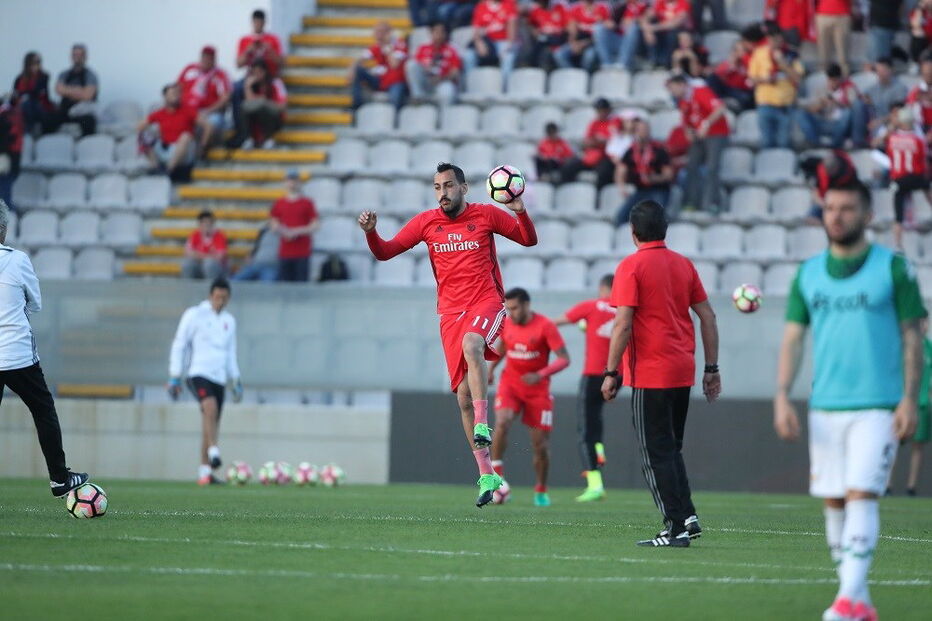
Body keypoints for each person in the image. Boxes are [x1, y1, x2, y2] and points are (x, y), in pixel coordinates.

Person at [773, 180, 924, 621]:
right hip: (825, 407)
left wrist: (910, 399)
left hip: (878, 405)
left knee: (861, 495)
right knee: (835, 501)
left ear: (866, 215)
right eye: (830, 208)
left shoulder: (894, 269)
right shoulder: (808, 273)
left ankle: (844, 602)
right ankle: (860, 602)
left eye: (846, 208)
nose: (836, 216)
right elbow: (793, 338)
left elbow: (913, 336)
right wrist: (782, 396)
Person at [358, 162, 538, 506]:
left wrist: (520, 211)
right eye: (437, 187)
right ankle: (486, 475)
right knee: (461, 399)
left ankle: (484, 425)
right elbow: (385, 252)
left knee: (474, 344)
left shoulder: (486, 215)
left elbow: (528, 240)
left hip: (486, 303)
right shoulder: (427, 222)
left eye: (448, 186)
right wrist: (371, 232)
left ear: (464, 188)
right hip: (449, 315)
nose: (443, 193)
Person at [601, 199, 720, 547]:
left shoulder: (631, 267)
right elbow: (708, 317)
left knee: (655, 455)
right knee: (671, 449)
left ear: (632, 231)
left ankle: (676, 527)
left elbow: (623, 325)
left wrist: (611, 372)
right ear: (665, 228)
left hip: (651, 373)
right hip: (682, 370)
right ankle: (688, 516)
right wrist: (711, 368)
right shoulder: (684, 265)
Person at [0, 199, 89, 498]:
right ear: (4, 230)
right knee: (43, 410)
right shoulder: (17, 259)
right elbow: (35, 303)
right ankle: (60, 478)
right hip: (16, 353)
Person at [487, 288, 570, 507]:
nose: (511, 313)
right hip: (510, 385)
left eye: (514, 308)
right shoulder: (507, 324)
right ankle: (498, 477)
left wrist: (540, 374)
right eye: (508, 309)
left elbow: (564, 359)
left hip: (538, 390)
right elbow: (503, 347)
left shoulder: (545, 326)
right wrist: (491, 369)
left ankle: (541, 489)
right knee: (502, 421)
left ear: (526, 305)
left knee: (540, 445)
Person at [168, 277, 243, 486]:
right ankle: (214, 451)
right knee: (209, 408)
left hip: (219, 376)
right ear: (210, 295)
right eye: (218, 297)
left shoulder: (229, 321)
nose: (220, 301)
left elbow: (231, 353)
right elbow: (180, 343)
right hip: (197, 372)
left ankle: (204, 472)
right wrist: (175, 374)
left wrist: (235, 379)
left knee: (210, 422)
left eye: (224, 298)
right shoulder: (194, 315)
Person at [554, 274, 620, 502]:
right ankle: (599, 451)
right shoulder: (625, 310)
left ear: (602, 288)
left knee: (585, 430)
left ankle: (595, 485)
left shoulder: (591, 306)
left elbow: (558, 322)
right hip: (618, 375)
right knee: (597, 417)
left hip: (594, 375)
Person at [666, 74, 729, 213]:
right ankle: (691, 202)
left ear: (682, 84)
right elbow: (686, 121)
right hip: (700, 136)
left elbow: (720, 108)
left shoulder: (699, 91)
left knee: (712, 168)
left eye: (673, 88)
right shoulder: (683, 100)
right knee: (691, 166)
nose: (672, 92)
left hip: (716, 133)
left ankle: (712, 203)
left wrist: (706, 124)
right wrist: (689, 132)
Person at [749, 23, 804, 149]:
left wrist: (782, 63)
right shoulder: (759, 53)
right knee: (766, 143)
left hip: (785, 106)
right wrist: (764, 79)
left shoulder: (791, 54)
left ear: (781, 38)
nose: (772, 41)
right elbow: (751, 78)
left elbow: (798, 78)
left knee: (783, 144)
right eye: (770, 38)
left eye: (775, 38)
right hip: (765, 104)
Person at [886, 107, 932, 251]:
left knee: (898, 215)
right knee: (927, 188)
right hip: (915, 177)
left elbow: (891, 158)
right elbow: (923, 161)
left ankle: (898, 244)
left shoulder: (892, 138)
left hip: (898, 179)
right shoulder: (918, 140)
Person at [614, 118, 673, 225]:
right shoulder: (631, 150)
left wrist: (655, 178)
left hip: (658, 189)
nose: (643, 132)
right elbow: (620, 171)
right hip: (640, 190)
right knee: (621, 216)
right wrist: (622, 187)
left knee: (654, 217)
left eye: (645, 129)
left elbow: (668, 175)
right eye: (640, 130)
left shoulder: (658, 149)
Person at [797, 62, 868, 148]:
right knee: (800, 114)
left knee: (847, 112)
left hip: (843, 125)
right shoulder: (822, 89)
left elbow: (855, 110)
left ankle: (836, 144)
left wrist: (836, 103)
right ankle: (816, 143)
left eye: (835, 80)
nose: (832, 83)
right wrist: (822, 104)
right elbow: (811, 110)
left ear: (839, 79)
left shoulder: (848, 88)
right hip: (825, 123)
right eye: (830, 80)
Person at [178, 46, 232, 158]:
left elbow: (225, 98)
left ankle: (202, 151)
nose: (206, 60)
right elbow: (177, 88)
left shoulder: (220, 75)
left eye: (210, 58)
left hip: (208, 112)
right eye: (204, 57)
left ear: (214, 60)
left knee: (213, 122)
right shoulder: (190, 69)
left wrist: (208, 111)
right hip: (186, 109)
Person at [270, 170, 320, 282]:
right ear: (285, 182)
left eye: (294, 180)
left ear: (299, 182)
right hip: (285, 252)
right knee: (285, 286)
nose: (292, 183)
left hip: (302, 252)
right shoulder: (279, 203)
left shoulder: (307, 203)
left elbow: (315, 225)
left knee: (301, 286)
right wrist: (285, 232)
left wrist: (295, 232)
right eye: (289, 180)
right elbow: (274, 225)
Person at [138, 83, 197, 177]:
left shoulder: (188, 110)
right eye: (173, 94)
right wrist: (155, 133)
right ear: (165, 96)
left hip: (182, 151)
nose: (176, 96)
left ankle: (169, 169)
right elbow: (140, 126)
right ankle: (155, 167)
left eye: (178, 94)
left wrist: (202, 146)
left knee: (186, 136)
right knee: (144, 134)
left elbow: (207, 126)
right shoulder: (160, 113)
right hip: (165, 147)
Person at [560, 97, 618, 189]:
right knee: (568, 167)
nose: (600, 112)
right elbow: (587, 142)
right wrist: (598, 142)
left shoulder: (613, 123)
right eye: (598, 110)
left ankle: (599, 197)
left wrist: (600, 142)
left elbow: (613, 142)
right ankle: (568, 191)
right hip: (591, 156)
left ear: (608, 110)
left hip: (605, 157)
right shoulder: (594, 123)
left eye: (602, 110)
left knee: (604, 173)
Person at [350, 21, 409, 111]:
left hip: (396, 81)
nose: (378, 35)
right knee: (358, 70)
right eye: (376, 32)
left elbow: (394, 65)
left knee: (395, 100)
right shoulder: (376, 47)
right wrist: (352, 70)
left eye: (381, 32)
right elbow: (359, 60)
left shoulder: (399, 44)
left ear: (388, 33)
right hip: (381, 80)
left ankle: (395, 121)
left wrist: (389, 49)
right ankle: (356, 106)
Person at [905, 317, 932, 496]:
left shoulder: (929, 347)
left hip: (922, 402)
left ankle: (911, 487)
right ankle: (886, 486)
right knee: (893, 444)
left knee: (918, 445)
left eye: (925, 322)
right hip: (901, 402)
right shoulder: (901, 344)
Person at [406, 22, 463, 105]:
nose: (439, 35)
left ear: (445, 34)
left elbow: (455, 72)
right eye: (436, 32)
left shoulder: (452, 50)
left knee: (448, 91)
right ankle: (418, 97)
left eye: (442, 32)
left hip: (442, 82)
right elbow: (416, 68)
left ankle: (445, 115)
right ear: (431, 33)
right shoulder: (423, 48)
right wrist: (426, 69)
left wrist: (442, 78)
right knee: (411, 64)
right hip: (426, 81)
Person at [238, 60, 286, 149]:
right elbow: (248, 105)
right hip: (257, 117)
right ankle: (248, 139)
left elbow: (282, 106)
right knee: (244, 107)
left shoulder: (275, 83)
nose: (258, 75)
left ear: (266, 72)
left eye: (260, 72)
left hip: (274, 117)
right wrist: (248, 87)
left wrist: (264, 103)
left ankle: (269, 139)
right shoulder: (252, 85)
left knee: (262, 106)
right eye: (255, 72)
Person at [465, 0, 519, 79]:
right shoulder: (481, 6)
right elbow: (476, 30)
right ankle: (470, 85)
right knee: (468, 55)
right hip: (486, 42)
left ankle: (503, 88)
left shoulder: (509, 4)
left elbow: (512, 29)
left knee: (508, 57)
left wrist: (508, 46)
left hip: (503, 42)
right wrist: (478, 43)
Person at [54, 44, 98, 137]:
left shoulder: (90, 75)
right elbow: (58, 90)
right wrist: (79, 90)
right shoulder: (64, 74)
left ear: (85, 57)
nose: (77, 57)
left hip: (82, 111)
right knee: (49, 118)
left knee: (89, 121)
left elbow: (87, 96)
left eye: (80, 55)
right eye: (74, 55)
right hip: (65, 110)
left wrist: (67, 90)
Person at [593, 0, 651, 70]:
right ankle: (606, 64)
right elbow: (613, 23)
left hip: (638, 41)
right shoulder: (622, 7)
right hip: (620, 39)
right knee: (598, 28)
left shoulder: (645, 5)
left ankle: (623, 63)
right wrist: (607, 23)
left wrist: (637, 21)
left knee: (633, 28)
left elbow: (649, 18)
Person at [554, 0, 608, 72]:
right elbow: (572, 29)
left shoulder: (602, 8)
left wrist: (583, 44)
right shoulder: (576, 8)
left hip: (594, 43)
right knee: (559, 54)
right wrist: (573, 43)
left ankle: (585, 78)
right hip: (578, 41)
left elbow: (603, 35)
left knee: (589, 56)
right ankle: (573, 76)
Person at [13, 52, 57, 136]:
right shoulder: (19, 79)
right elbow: (15, 96)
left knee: (28, 103)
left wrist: (24, 95)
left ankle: (28, 132)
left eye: (38, 62)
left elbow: (38, 93)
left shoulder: (44, 76)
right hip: (21, 107)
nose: (36, 65)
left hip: (39, 106)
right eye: (34, 62)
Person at [522, 0, 569, 72]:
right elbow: (530, 24)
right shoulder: (536, 10)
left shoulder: (559, 8)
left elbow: (568, 25)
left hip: (559, 40)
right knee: (536, 51)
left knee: (552, 53)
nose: (539, 3)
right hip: (543, 41)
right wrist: (534, 31)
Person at [642, 0, 691, 68]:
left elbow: (675, 23)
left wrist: (653, 28)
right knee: (643, 30)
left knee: (672, 34)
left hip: (677, 34)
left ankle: (667, 63)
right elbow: (645, 17)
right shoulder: (660, 3)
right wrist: (647, 31)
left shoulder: (683, 3)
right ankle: (653, 60)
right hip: (662, 34)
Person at [236, 9, 283, 76]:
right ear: (252, 22)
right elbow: (238, 65)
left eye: (260, 22)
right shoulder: (244, 40)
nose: (258, 25)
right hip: (251, 76)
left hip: (270, 76)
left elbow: (281, 63)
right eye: (256, 22)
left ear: (264, 22)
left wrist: (269, 50)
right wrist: (248, 51)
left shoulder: (273, 39)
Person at [183, 210, 228, 280]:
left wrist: (198, 255)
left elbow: (219, 257)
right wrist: (208, 256)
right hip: (199, 267)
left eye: (209, 222)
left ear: (213, 223)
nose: (207, 225)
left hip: (217, 269)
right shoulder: (195, 235)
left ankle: (211, 288)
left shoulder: (219, 236)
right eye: (204, 222)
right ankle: (188, 287)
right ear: (200, 224)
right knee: (187, 264)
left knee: (209, 263)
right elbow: (188, 253)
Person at [865, 57, 908, 125]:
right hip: (873, 122)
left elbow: (898, 113)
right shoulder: (873, 88)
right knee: (857, 105)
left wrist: (879, 121)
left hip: (890, 124)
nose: (879, 74)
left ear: (891, 70)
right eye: (878, 71)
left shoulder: (900, 89)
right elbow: (864, 98)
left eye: (883, 71)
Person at [814, 0, 852, 76]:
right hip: (823, 14)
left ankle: (845, 79)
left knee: (843, 52)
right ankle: (823, 77)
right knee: (823, 52)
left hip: (842, 14)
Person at [0, 95, 24, 213]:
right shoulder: (12, 114)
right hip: (10, 155)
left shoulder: (7, 115)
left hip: (8, 156)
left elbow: (11, 137)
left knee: (5, 184)